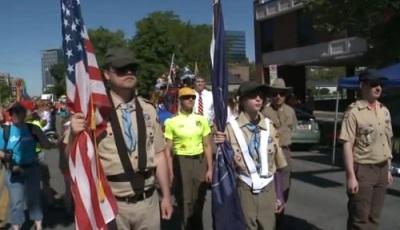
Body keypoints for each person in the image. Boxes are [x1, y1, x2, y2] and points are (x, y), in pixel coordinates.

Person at [65, 47, 173, 229]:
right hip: (112, 204)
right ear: (107, 74)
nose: (129, 72)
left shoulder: (149, 109)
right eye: (122, 69)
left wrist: (167, 197)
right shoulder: (93, 113)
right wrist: (74, 135)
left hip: (148, 202)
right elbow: (70, 156)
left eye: (133, 68)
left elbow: (160, 155)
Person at [214, 81, 287, 230]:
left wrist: (279, 195)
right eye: (253, 96)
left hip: (268, 190)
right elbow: (223, 167)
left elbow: (278, 166)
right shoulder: (230, 129)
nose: (259, 99)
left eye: (260, 96)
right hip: (244, 190)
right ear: (242, 101)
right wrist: (219, 143)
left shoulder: (270, 127)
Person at [339, 69, 393, 230]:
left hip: (382, 168)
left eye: (381, 85)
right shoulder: (353, 112)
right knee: (360, 219)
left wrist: (388, 169)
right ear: (362, 86)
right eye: (374, 84)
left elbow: (387, 141)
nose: (378, 88)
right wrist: (351, 176)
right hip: (363, 170)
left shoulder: (384, 111)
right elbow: (347, 143)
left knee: (374, 218)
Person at [0, 102, 58, 230]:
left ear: (24, 113)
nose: (15, 115)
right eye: (12, 112)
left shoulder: (33, 128)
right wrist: (5, 156)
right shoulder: (5, 131)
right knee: (16, 201)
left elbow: (46, 144)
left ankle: (39, 225)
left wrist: (58, 142)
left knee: (34, 199)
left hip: (32, 169)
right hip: (14, 172)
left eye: (18, 111)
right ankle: (16, 227)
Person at [164, 87, 213, 230]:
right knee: (185, 199)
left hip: (199, 161)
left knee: (199, 197)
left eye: (192, 97)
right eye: (186, 97)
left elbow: (207, 145)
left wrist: (210, 168)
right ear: (180, 100)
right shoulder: (171, 122)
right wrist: (170, 172)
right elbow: (168, 150)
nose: (190, 99)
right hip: (181, 161)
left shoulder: (202, 120)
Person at [262, 78, 297, 230]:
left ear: (285, 95)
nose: (278, 97)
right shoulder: (265, 112)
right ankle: (271, 220)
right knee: (271, 188)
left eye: (281, 94)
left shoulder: (291, 111)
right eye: (275, 93)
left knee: (285, 187)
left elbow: (293, 129)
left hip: (286, 152)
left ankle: (281, 218)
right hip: (270, 153)